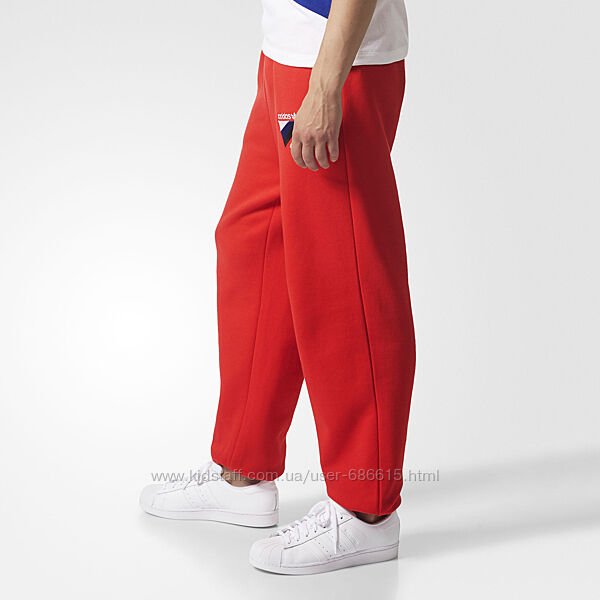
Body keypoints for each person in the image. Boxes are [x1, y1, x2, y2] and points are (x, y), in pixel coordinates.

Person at [140, 0, 415, 575]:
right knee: (255, 245)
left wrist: (326, 83)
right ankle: (243, 473)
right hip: (288, 52)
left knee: (347, 279)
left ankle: (364, 510)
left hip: (337, 64)